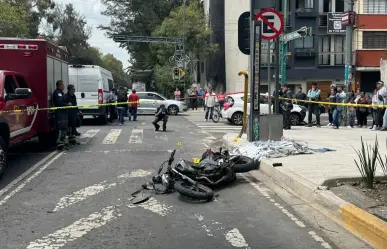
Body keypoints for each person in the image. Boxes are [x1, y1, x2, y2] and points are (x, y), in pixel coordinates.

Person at [52, 80, 71, 150]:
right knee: (60, 128)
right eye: (63, 85)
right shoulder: (57, 93)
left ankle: (62, 143)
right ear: (59, 85)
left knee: (64, 128)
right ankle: (59, 144)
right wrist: (67, 104)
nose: (64, 86)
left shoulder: (61, 92)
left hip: (63, 113)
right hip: (60, 113)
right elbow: (59, 103)